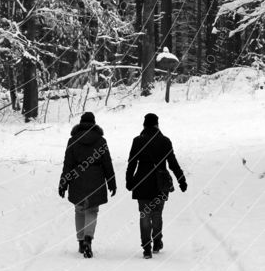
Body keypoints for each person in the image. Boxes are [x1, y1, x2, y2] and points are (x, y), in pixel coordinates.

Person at [126, 112, 187, 259]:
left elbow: (132, 163)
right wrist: (181, 179)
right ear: (157, 125)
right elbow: (172, 163)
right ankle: (157, 241)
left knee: (144, 215)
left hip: (142, 182)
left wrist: (129, 181)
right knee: (157, 214)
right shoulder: (165, 141)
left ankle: (146, 248)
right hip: (160, 183)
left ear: (144, 125)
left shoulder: (137, 141)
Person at [59, 111, 116, 258]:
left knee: (79, 210)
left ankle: (80, 242)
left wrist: (63, 184)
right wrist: (112, 183)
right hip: (96, 179)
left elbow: (68, 164)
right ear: (94, 123)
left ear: (81, 123)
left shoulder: (73, 141)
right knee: (92, 210)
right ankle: (88, 240)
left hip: (77, 178)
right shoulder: (101, 141)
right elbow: (107, 163)